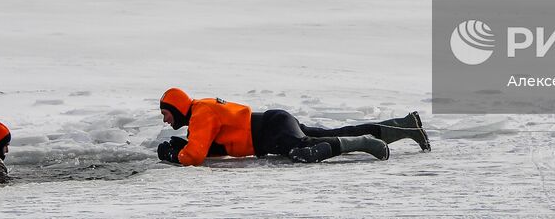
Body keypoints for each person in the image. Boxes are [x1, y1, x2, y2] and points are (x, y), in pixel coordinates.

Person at [156, 87, 430, 165]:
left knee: (304, 152)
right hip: (274, 124)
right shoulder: (200, 113)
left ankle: (366, 143)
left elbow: (194, 157)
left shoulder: (201, 114)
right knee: (330, 134)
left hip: (271, 130)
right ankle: (405, 127)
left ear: (178, 108)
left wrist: (173, 155)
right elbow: (207, 147)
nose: (165, 120)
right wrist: (183, 147)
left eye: (166, 113)